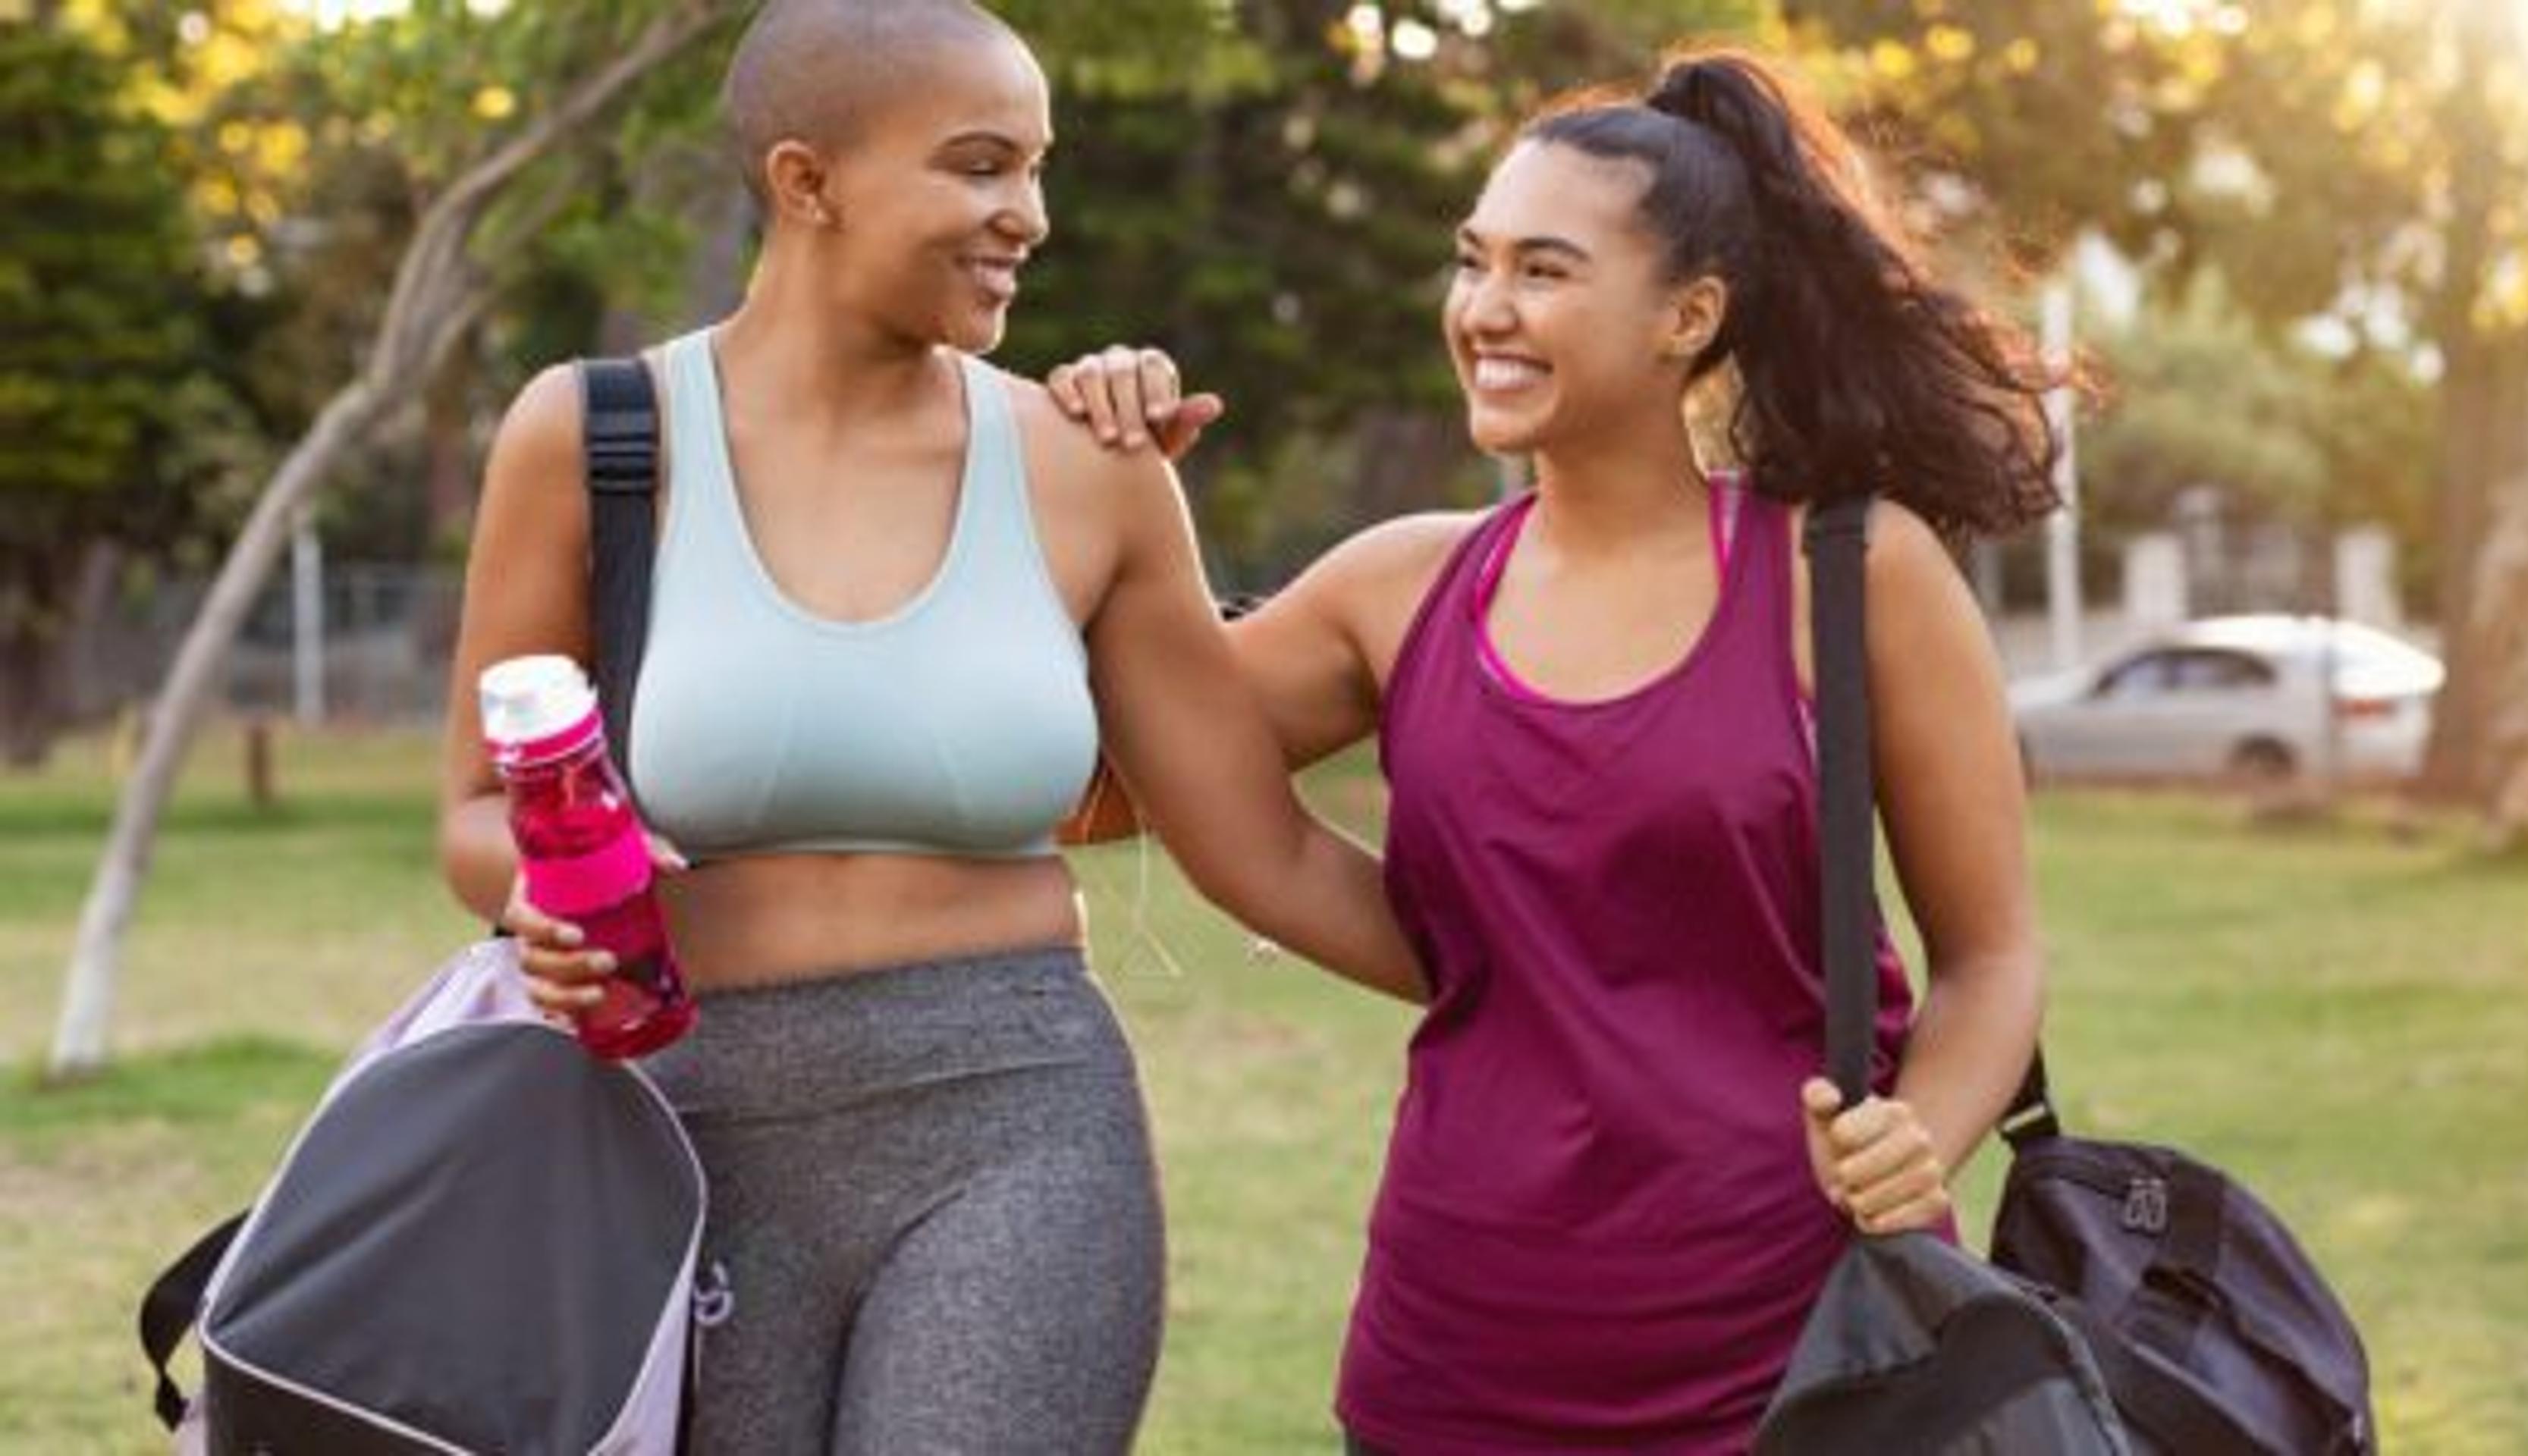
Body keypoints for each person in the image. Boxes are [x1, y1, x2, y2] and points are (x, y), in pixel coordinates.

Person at [436, 2, 1421, 1451]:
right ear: (806, 179)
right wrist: (538, 898)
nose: (1024, 214)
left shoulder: (1090, 466)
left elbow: (1255, 843)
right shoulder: (591, 439)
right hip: (678, 1136)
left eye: (1035, 169)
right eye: (977, 167)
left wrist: (1562, 982)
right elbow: (473, 806)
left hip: (1016, 1127)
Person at [1054, 49, 2057, 1453]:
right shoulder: (1395, 590)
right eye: (1474, 263)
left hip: (1811, 1351)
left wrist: (1923, 1134)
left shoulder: (1854, 573)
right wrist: (1114, 497)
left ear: (1687, 316)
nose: (1485, 310)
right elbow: (1102, 788)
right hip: (1459, 1353)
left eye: (1544, 270)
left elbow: (1994, 955)